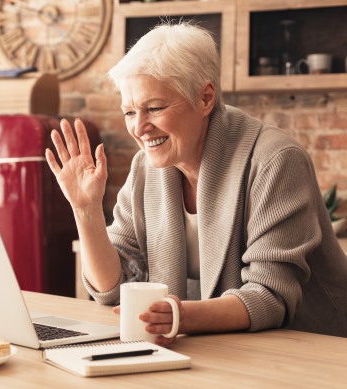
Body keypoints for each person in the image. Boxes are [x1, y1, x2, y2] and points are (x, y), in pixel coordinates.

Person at [45, 21, 347, 346]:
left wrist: (179, 317)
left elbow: (270, 296)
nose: (139, 128)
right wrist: (86, 210)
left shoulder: (276, 161)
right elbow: (115, 288)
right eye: (129, 112)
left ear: (205, 98)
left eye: (155, 108)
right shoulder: (145, 168)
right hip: (217, 349)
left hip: (314, 351)